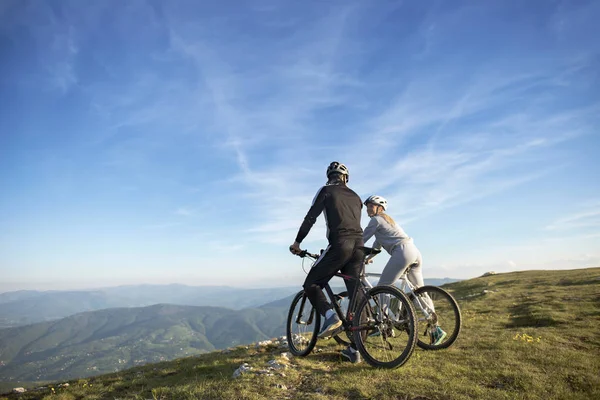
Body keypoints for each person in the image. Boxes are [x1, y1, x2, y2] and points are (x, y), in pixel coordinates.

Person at [289, 161, 365, 363]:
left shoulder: (326, 191)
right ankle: (356, 349)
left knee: (311, 284)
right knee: (356, 294)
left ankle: (330, 315)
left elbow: (310, 217)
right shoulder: (357, 197)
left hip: (341, 243)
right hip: (360, 246)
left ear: (329, 177)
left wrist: (297, 242)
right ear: (345, 178)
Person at [361, 195, 447, 346]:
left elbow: (362, 240)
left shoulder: (375, 220)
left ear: (379, 208)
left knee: (382, 288)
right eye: (367, 206)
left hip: (402, 252)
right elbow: (376, 246)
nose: (368, 208)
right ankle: (436, 328)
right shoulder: (388, 222)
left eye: (371, 206)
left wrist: (350, 251)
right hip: (414, 252)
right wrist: (368, 257)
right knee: (420, 291)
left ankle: (385, 326)